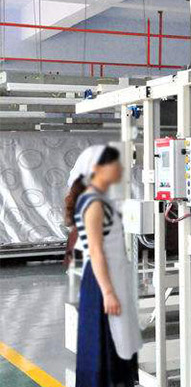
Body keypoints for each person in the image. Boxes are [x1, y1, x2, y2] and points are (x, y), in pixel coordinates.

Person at [64, 145, 141, 387]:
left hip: (108, 277)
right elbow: (96, 251)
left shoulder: (99, 200)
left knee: (114, 345)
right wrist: (108, 292)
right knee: (104, 344)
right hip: (101, 281)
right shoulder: (93, 204)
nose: (118, 169)